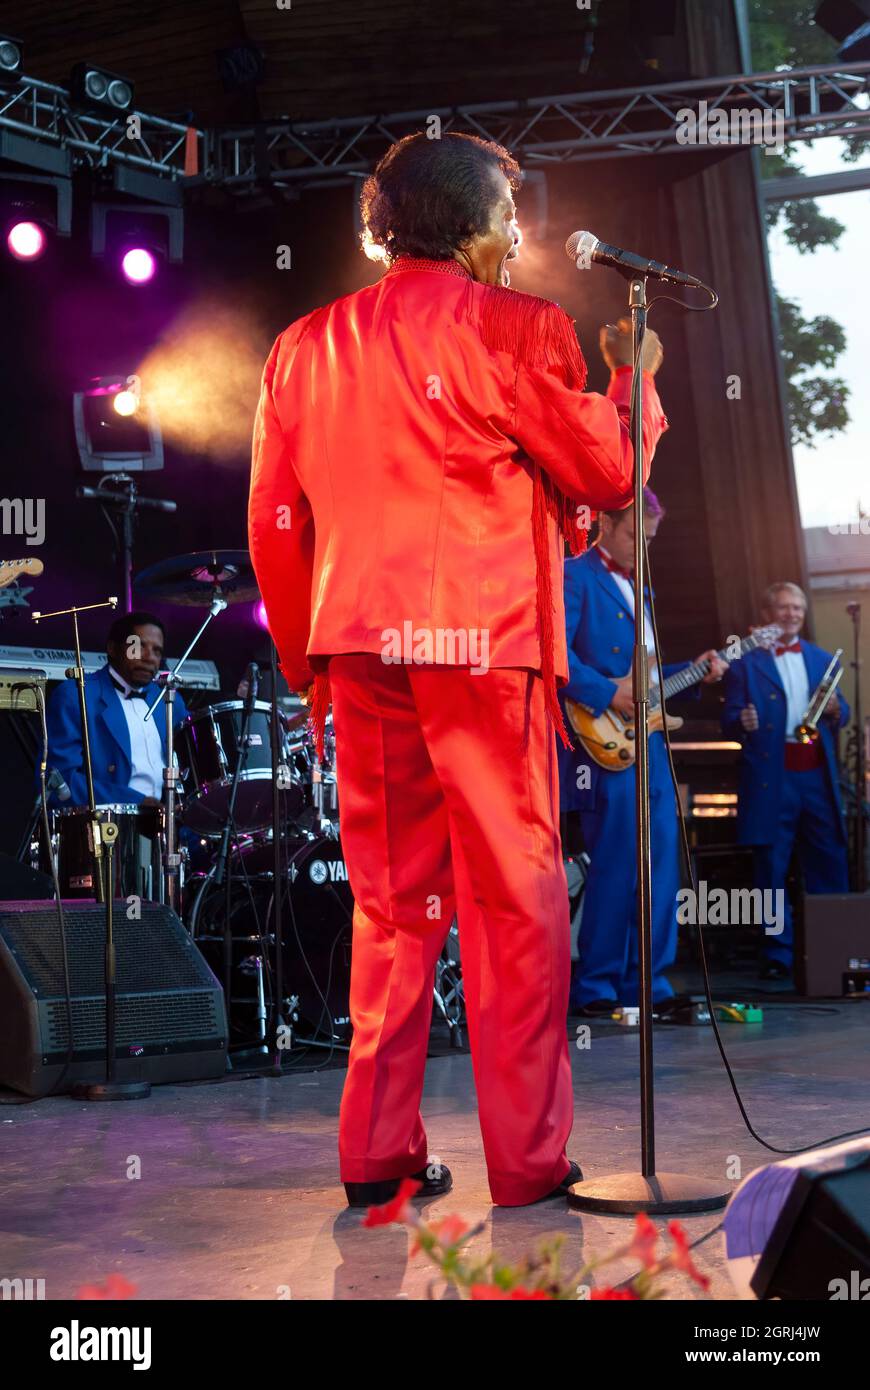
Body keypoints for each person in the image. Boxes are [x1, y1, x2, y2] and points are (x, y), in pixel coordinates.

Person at [248, 130, 668, 1208]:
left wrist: (308, 667)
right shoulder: (515, 326)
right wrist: (634, 378)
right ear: (481, 229)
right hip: (481, 645)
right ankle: (528, 1164)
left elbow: (275, 527)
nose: (518, 242)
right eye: (510, 221)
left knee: (390, 909)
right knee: (513, 899)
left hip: (358, 649)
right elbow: (608, 473)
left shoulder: (302, 345)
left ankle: (375, 1155)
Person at [558, 490, 726, 1013]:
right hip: (603, 744)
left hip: (648, 744)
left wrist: (696, 672)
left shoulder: (640, 588)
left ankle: (649, 985)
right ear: (604, 523)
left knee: (660, 867)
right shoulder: (573, 574)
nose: (643, 550)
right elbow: (554, 655)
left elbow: (647, 683)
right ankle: (598, 988)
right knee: (616, 865)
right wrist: (610, 694)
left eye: (650, 541)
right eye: (636, 537)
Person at [721, 581, 849, 980]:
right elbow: (730, 719)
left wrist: (835, 709)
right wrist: (740, 722)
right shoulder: (744, 662)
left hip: (815, 774)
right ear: (767, 614)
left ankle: (834, 949)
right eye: (783, 607)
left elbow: (841, 713)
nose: (791, 614)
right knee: (770, 868)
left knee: (828, 860)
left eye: (797, 608)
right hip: (771, 777)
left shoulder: (823, 659)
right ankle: (778, 952)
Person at [45, 610, 187, 808]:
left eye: (157, 651)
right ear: (113, 648)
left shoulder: (170, 700)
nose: (149, 658)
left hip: (167, 828)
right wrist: (134, 802)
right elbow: (58, 780)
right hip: (104, 826)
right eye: (137, 646)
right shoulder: (77, 695)